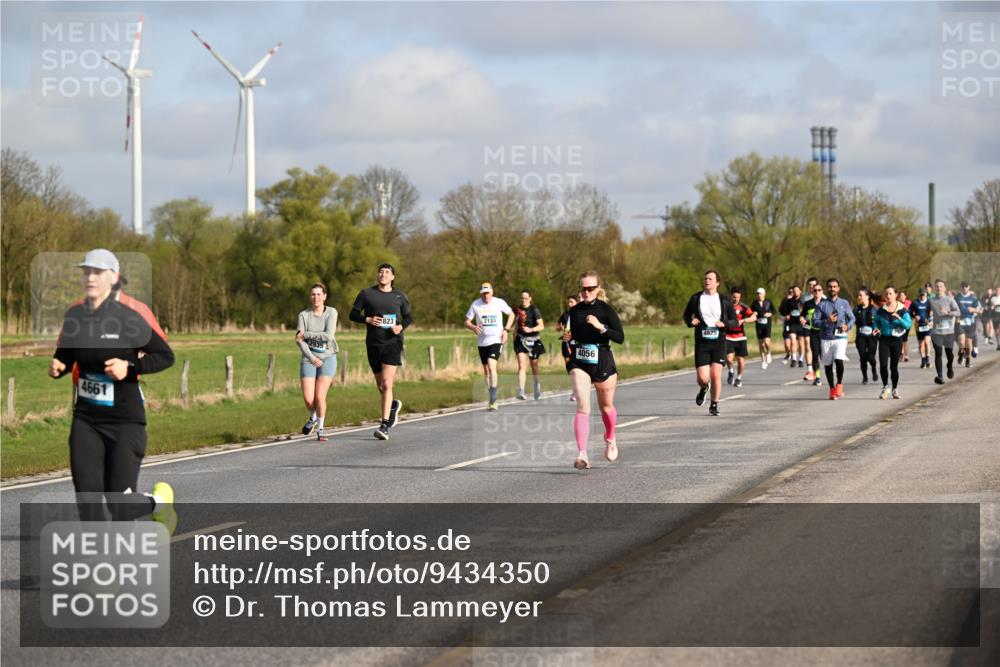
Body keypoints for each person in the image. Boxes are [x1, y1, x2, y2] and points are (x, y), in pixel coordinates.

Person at [48, 249, 176, 532]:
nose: (90, 277)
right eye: (86, 271)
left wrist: (129, 367)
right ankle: (98, 567)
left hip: (124, 419)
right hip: (86, 418)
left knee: (119, 504)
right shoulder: (75, 317)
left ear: (113, 278)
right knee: (87, 498)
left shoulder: (129, 318)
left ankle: (158, 503)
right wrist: (60, 365)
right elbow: (67, 354)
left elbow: (165, 356)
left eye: (97, 272)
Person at [561, 271, 624, 469]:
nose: (586, 292)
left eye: (590, 288)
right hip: (579, 361)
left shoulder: (606, 310)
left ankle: (611, 437)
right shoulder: (574, 311)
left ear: (598, 289)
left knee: (606, 406)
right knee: (583, 407)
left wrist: (600, 327)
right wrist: (568, 338)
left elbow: (620, 337)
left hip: (603, 360)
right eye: (583, 288)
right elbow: (569, 333)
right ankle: (583, 455)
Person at [349, 263, 413, 440]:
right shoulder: (366, 294)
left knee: (386, 384)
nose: (383, 274)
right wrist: (367, 319)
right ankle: (392, 405)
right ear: (378, 275)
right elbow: (352, 314)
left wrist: (400, 327)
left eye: (387, 272)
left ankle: (384, 425)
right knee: (381, 386)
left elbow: (409, 317)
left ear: (392, 277)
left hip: (393, 343)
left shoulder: (400, 296)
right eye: (380, 272)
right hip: (373, 344)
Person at [684, 270, 739, 416]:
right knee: (703, 378)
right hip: (702, 343)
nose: (707, 281)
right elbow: (686, 315)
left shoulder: (724, 300)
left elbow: (735, 321)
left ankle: (714, 404)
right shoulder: (696, 298)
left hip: (719, 341)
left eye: (710, 279)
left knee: (716, 375)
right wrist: (691, 321)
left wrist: (724, 323)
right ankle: (704, 388)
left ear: (717, 282)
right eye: (705, 279)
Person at [296, 283, 338, 442]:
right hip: (309, 358)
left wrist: (306, 334)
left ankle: (320, 428)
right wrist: (312, 357)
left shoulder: (332, 312)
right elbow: (299, 341)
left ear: (325, 296)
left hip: (327, 356)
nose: (316, 297)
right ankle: (313, 417)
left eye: (319, 294)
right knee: (309, 399)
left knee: (320, 397)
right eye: (313, 294)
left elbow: (328, 336)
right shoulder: (303, 315)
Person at [465, 282, 515, 411]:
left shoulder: (499, 302)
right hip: (482, 342)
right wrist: (473, 327)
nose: (486, 295)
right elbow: (467, 321)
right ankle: (491, 397)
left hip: (496, 339)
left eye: (488, 293)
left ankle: (493, 399)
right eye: (483, 293)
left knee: (491, 364)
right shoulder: (476, 304)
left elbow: (512, 314)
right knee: (486, 370)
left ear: (492, 292)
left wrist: (506, 330)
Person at [814, 278, 855, 399]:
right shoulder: (822, 304)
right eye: (830, 287)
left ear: (838, 288)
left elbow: (852, 318)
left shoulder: (844, 303)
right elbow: (815, 322)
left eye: (834, 286)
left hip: (840, 337)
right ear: (827, 289)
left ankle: (839, 384)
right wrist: (827, 320)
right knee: (827, 364)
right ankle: (832, 388)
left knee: (838, 359)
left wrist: (847, 326)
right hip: (826, 338)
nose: (832, 289)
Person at [873, 285, 912, 399]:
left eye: (891, 293)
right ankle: (885, 387)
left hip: (897, 340)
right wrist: (876, 328)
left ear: (895, 295)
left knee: (893, 367)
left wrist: (899, 318)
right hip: (884, 339)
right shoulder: (881, 310)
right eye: (887, 294)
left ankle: (895, 389)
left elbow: (908, 324)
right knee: (883, 365)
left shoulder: (902, 309)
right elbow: (876, 321)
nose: (888, 296)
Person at [513, 290, 546, 400]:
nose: (523, 300)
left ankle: (537, 386)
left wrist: (531, 329)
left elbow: (541, 326)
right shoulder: (517, 310)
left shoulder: (534, 310)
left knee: (534, 366)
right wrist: (514, 334)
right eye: (522, 298)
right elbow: (516, 324)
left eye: (526, 298)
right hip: (520, 339)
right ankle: (521, 390)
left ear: (530, 298)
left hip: (533, 339)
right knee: (522, 365)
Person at [929, 279, 961, 384]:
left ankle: (949, 366)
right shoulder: (931, 300)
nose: (939, 288)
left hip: (948, 332)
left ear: (945, 288)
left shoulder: (950, 299)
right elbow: (926, 311)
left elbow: (958, 312)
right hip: (936, 332)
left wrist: (948, 312)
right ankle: (940, 376)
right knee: (938, 354)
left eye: (941, 286)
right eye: (937, 286)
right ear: (935, 288)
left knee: (949, 355)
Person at [725, 287, 756, 388]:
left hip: (740, 337)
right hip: (728, 336)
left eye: (738, 297)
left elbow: (754, 317)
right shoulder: (725, 306)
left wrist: (744, 320)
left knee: (740, 360)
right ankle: (730, 371)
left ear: (740, 297)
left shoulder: (743, 307)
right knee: (729, 359)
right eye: (734, 297)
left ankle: (739, 378)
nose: (736, 299)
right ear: (731, 296)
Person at [800, 280, 825, 386]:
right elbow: (802, 315)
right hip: (814, 332)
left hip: (825, 333)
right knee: (815, 355)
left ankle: (829, 372)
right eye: (815, 290)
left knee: (824, 355)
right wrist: (802, 319)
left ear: (822, 291)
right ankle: (817, 377)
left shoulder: (826, 302)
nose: (817, 292)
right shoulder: (808, 303)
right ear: (813, 292)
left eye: (819, 290)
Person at [853, 288, 879, 385]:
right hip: (860, 337)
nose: (859, 297)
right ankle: (865, 377)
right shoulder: (856, 309)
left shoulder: (874, 309)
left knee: (871, 357)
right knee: (863, 357)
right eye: (858, 296)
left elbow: (880, 321)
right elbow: (851, 320)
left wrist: (878, 329)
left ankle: (873, 369)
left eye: (861, 295)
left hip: (872, 336)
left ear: (867, 296)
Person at [556, 294, 579, 400]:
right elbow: (557, 327)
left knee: (577, 367)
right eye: (568, 302)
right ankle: (574, 390)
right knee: (569, 368)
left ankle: (578, 390)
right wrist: (559, 328)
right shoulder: (565, 315)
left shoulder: (580, 314)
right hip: (566, 343)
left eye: (572, 302)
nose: (569, 304)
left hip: (577, 343)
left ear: (577, 303)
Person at [955, 282, 982, 368]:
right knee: (961, 342)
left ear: (969, 287)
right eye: (962, 286)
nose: (964, 288)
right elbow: (952, 307)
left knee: (968, 343)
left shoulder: (973, 298)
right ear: (961, 287)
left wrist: (973, 309)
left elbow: (980, 310)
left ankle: (968, 359)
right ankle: (961, 353)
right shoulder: (957, 297)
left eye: (966, 286)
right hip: (960, 322)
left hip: (970, 322)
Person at [908, 288, 933, 369]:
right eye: (921, 295)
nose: (922, 296)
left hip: (927, 324)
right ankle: (923, 360)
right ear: (919, 294)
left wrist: (930, 318)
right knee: (921, 344)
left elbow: (934, 311)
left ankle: (928, 360)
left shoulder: (929, 302)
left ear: (926, 294)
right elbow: (910, 312)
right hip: (919, 326)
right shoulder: (915, 302)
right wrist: (915, 316)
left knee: (927, 342)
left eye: (924, 294)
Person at [750, 287, 774, 369]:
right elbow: (750, 312)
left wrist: (769, 314)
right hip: (759, 325)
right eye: (757, 293)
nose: (759, 295)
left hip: (767, 324)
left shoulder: (768, 302)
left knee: (766, 342)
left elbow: (773, 311)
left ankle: (769, 353)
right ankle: (763, 361)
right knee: (761, 344)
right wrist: (753, 313)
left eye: (760, 293)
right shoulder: (754, 303)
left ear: (764, 294)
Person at [779, 286, 803, 367]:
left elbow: (807, 312)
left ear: (800, 291)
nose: (795, 292)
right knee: (793, 341)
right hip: (792, 323)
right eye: (794, 291)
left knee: (801, 342)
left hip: (801, 324)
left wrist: (803, 315)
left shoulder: (803, 301)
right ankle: (794, 359)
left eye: (797, 290)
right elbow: (784, 312)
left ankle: (801, 359)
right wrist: (787, 315)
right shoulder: (789, 301)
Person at [897, 290, 912, 363]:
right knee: (900, 339)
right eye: (900, 296)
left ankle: (906, 355)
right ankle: (901, 353)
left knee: (905, 340)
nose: (901, 297)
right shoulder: (897, 304)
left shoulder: (909, 303)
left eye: (903, 295)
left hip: (907, 324)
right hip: (899, 324)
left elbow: (912, 312)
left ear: (905, 296)